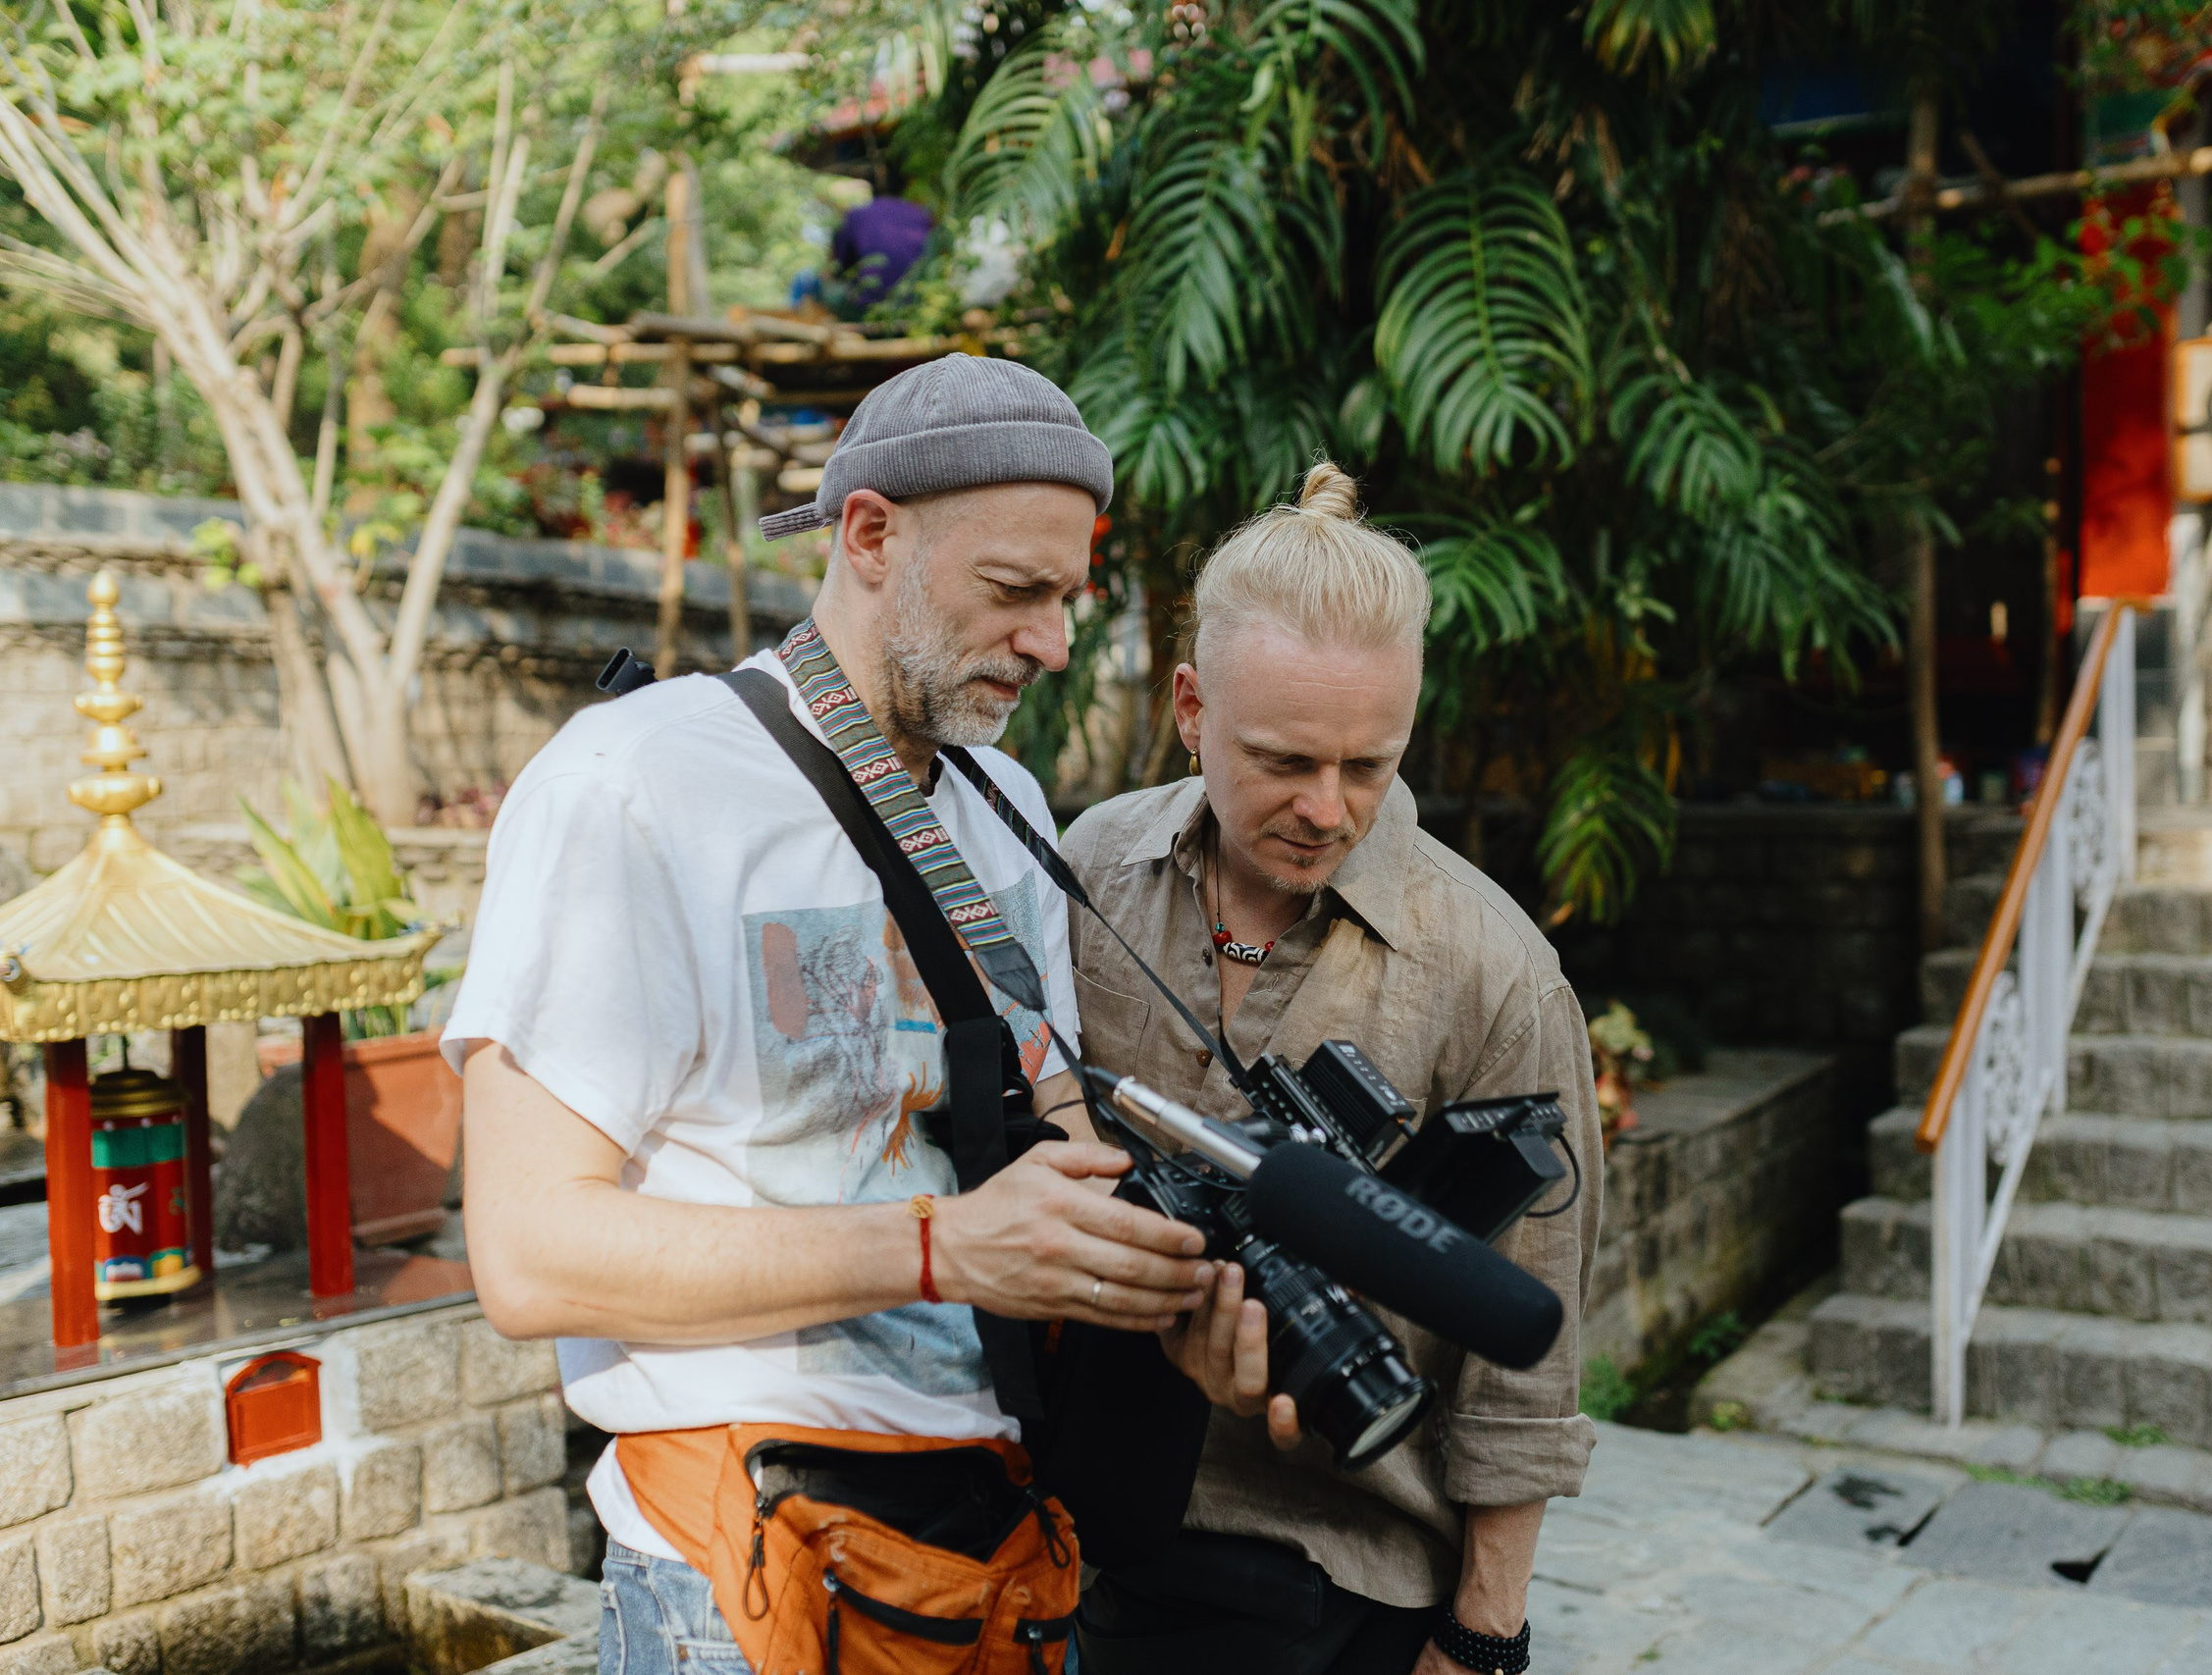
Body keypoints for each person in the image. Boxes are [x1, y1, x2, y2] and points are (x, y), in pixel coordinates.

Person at [447, 354, 1218, 1675]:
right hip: (750, 1568)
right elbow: (528, 1252)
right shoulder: (637, 783)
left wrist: (1171, 1264)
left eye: (1068, 599)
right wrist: (939, 1249)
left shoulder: (1006, 807)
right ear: (869, 533)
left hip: (993, 1547)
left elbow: (1048, 1127)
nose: (1052, 641)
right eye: (1014, 592)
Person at [1061, 462, 1605, 1675]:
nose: (1327, 807)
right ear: (1190, 706)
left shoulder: (1495, 971)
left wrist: (1483, 1638)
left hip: (1339, 1580)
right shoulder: (1090, 867)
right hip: (1086, 1545)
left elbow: (1534, 1351)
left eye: (1370, 765)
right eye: (1284, 760)